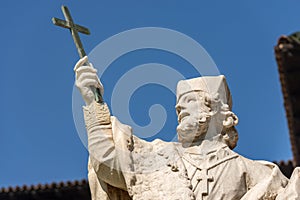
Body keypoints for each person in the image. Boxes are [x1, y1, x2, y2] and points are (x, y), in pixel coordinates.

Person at [74, 56, 300, 200]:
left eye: (190, 100)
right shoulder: (160, 157)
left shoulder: (256, 172)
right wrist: (93, 103)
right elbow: (107, 163)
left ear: (215, 111)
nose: (178, 106)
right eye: (178, 103)